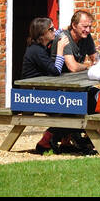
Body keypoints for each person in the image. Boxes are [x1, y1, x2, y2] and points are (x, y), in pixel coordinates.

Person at [21, 16, 66, 153]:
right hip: (33, 96)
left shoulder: (41, 46)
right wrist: (60, 49)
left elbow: (58, 32)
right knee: (70, 110)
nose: (54, 31)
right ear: (42, 34)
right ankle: (46, 141)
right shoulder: (36, 51)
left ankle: (65, 140)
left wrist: (65, 29)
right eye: (51, 29)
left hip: (40, 92)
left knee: (73, 107)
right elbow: (56, 71)